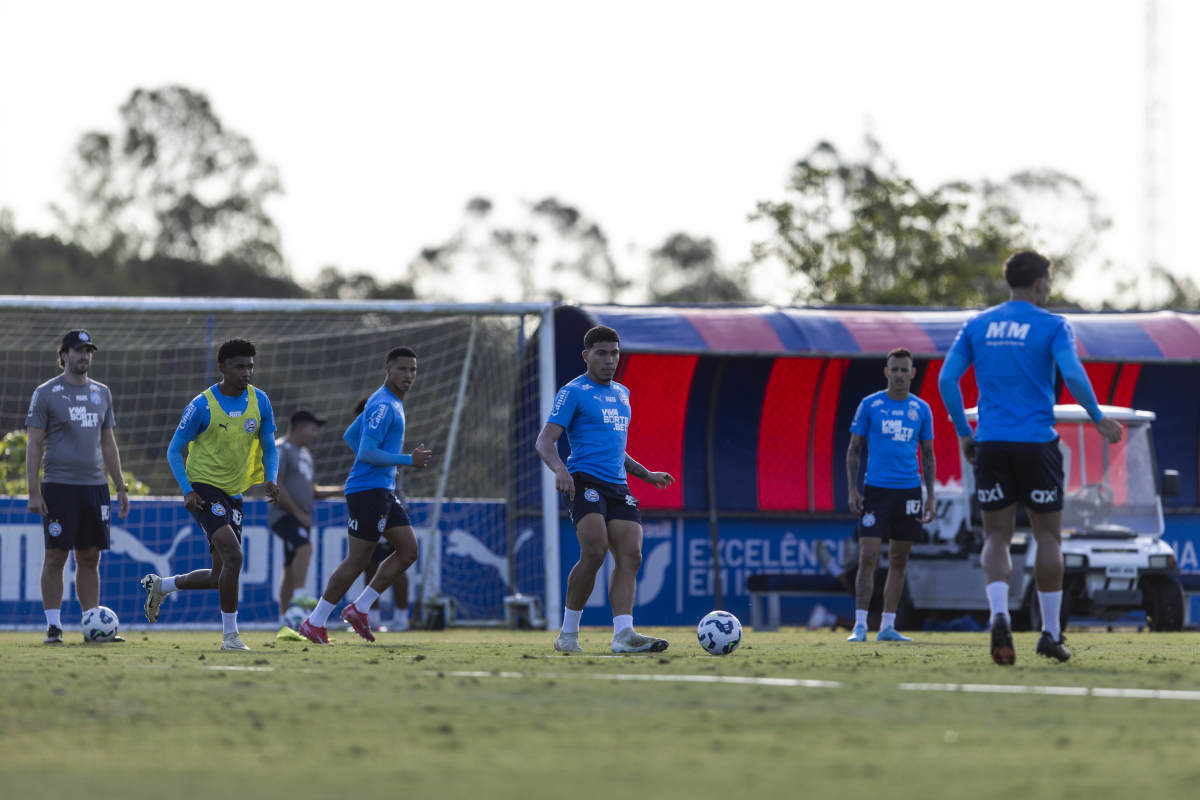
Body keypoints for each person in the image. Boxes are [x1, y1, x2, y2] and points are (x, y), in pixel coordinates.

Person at [938, 250, 1123, 665]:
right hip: (1038, 444)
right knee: (1049, 537)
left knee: (996, 537)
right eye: (1049, 281)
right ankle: (1051, 633)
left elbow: (947, 379)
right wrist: (1098, 417)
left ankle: (999, 614)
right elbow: (1072, 373)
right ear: (1040, 283)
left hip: (992, 444)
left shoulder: (977, 325)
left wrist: (965, 433)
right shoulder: (1054, 325)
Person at [535, 325, 676, 654]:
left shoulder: (623, 393)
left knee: (632, 556)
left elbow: (615, 448)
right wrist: (560, 469)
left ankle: (623, 634)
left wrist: (646, 474)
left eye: (614, 353)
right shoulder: (573, 391)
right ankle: (568, 635)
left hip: (618, 485)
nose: (609, 360)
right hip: (585, 480)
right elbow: (544, 441)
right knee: (595, 551)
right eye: (601, 353)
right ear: (586, 356)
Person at [139, 338, 280, 651]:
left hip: (235, 493)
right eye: (239, 367)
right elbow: (174, 450)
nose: (246, 372)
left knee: (220, 575)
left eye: (250, 366)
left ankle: (162, 586)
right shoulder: (201, 405)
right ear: (222, 367)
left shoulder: (260, 401)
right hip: (203, 489)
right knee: (235, 556)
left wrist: (271, 478)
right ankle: (231, 637)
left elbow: (270, 446)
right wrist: (187, 491)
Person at [298, 346, 432, 644]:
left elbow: (351, 436)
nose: (408, 375)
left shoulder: (388, 401)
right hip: (367, 491)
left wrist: (387, 467)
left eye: (412, 369)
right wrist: (407, 460)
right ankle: (315, 622)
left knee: (409, 550)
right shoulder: (384, 405)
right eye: (402, 369)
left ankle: (359, 608)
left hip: (382, 489)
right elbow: (367, 452)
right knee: (359, 559)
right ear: (388, 369)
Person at [25, 329, 130, 644]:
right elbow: (34, 444)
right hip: (59, 486)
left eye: (88, 351)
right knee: (56, 556)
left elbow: (108, 443)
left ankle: (92, 625)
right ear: (64, 355)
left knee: (90, 557)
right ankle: (53, 626)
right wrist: (33, 491)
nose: (84, 356)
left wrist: (120, 486)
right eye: (78, 350)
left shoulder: (102, 393)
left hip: (95, 487)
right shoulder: (46, 393)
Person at [844, 347, 935, 643]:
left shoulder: (922, 409)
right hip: (876, 491)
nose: (899, 375)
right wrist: (852, 488)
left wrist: (930, 496)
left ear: (912, 373)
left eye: (903, 370)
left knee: (899, 559)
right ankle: (860, 625)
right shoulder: (870, 405)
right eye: (894, 370)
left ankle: (887, 626)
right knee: (868, 556)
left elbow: (928, 454)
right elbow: (854, 449)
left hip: (909, 491)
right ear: (886, 372)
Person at [270, 408, 343, 622]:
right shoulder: (281, 449)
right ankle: (300, 595)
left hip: (299, 517)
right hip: (284, 515)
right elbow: (276, 485)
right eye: (312, 429)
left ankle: (284, 617)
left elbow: (313, 490)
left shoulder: (305, 454)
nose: (314, 434)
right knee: (305, 547)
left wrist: (342, 490)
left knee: (289, 566)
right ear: (300, 428)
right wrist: (298, 513)